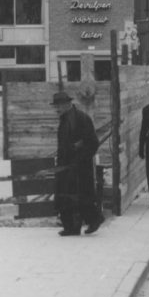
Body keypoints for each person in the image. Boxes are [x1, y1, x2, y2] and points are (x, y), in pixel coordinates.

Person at [52, 91, 104, 236]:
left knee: (82, 198)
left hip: (80, 167)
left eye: (59, 106)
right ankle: (71, 228)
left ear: (68, 104)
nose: (57, 109)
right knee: (65, 197)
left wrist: (80, 160)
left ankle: (95, 219)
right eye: (55, 106)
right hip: (65, 166)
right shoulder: (64, 119)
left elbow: (93, 143)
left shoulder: (81, 118)